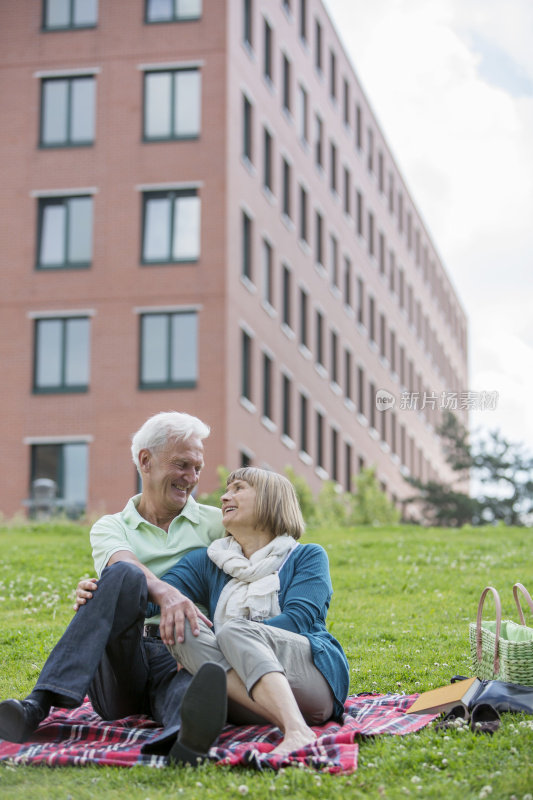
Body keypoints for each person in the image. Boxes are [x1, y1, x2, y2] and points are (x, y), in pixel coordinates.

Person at [0, 411, 228, 765]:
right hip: (124, 661)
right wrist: (166, 593)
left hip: (186, 652)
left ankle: (182, 739)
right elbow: (122, 565)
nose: (192, 478)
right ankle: (37, 705)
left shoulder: (217, 524)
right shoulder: (109, 527)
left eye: (197, 468)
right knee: (124, 574)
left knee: (197, 689)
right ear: (146, 461)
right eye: (182, 465)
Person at [146, 466, 350, 757]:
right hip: (244, 698)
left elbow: (299, 620)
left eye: (238, 489)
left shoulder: (307, 556)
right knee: (182, 628)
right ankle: (287, 724)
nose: (225, 498)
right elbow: (157, 597)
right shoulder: (208, 561)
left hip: (310, 682)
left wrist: (232, 638)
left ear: (271, 498)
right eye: (226, 491)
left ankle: (297, 730)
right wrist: (110, 585)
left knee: (234, 629)